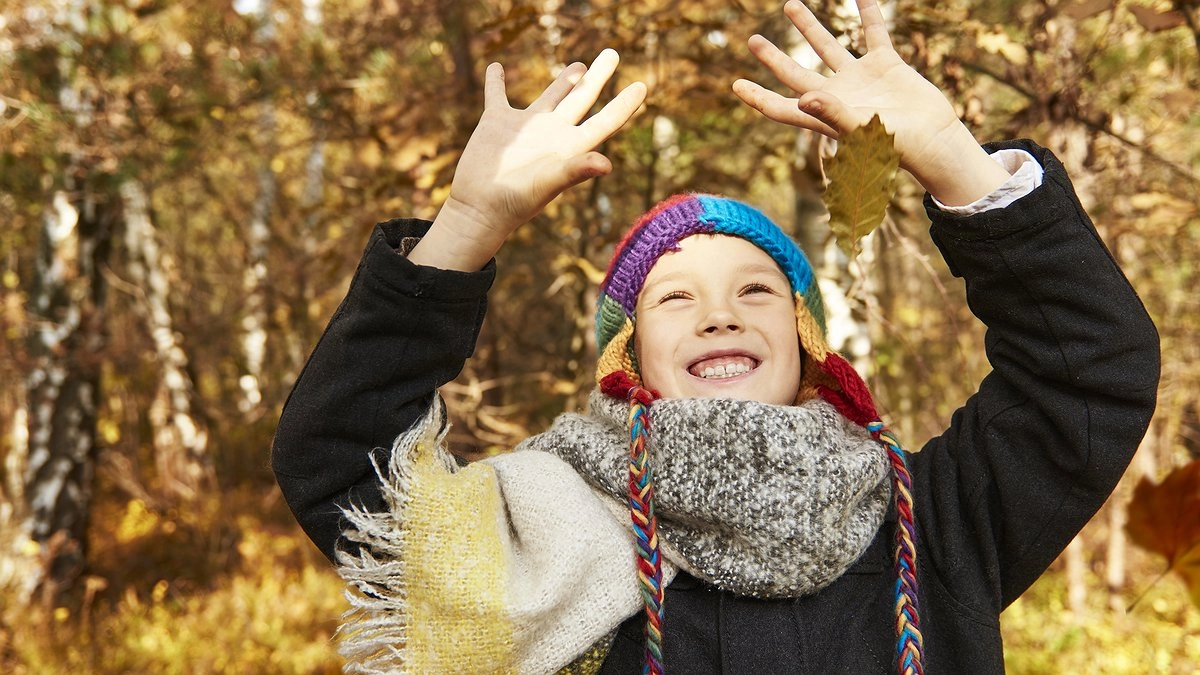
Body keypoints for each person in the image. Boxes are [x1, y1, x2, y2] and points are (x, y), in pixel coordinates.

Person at [271, 0, 1160, 672]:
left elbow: (1083, 377)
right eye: (674, 298)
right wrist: (466, 223)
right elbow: (341, 463)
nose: (719, 313)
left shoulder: (932, 524)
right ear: (628, 359)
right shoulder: (537, 538)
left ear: (810, 342)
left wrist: (952, 155)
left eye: (755, 290)